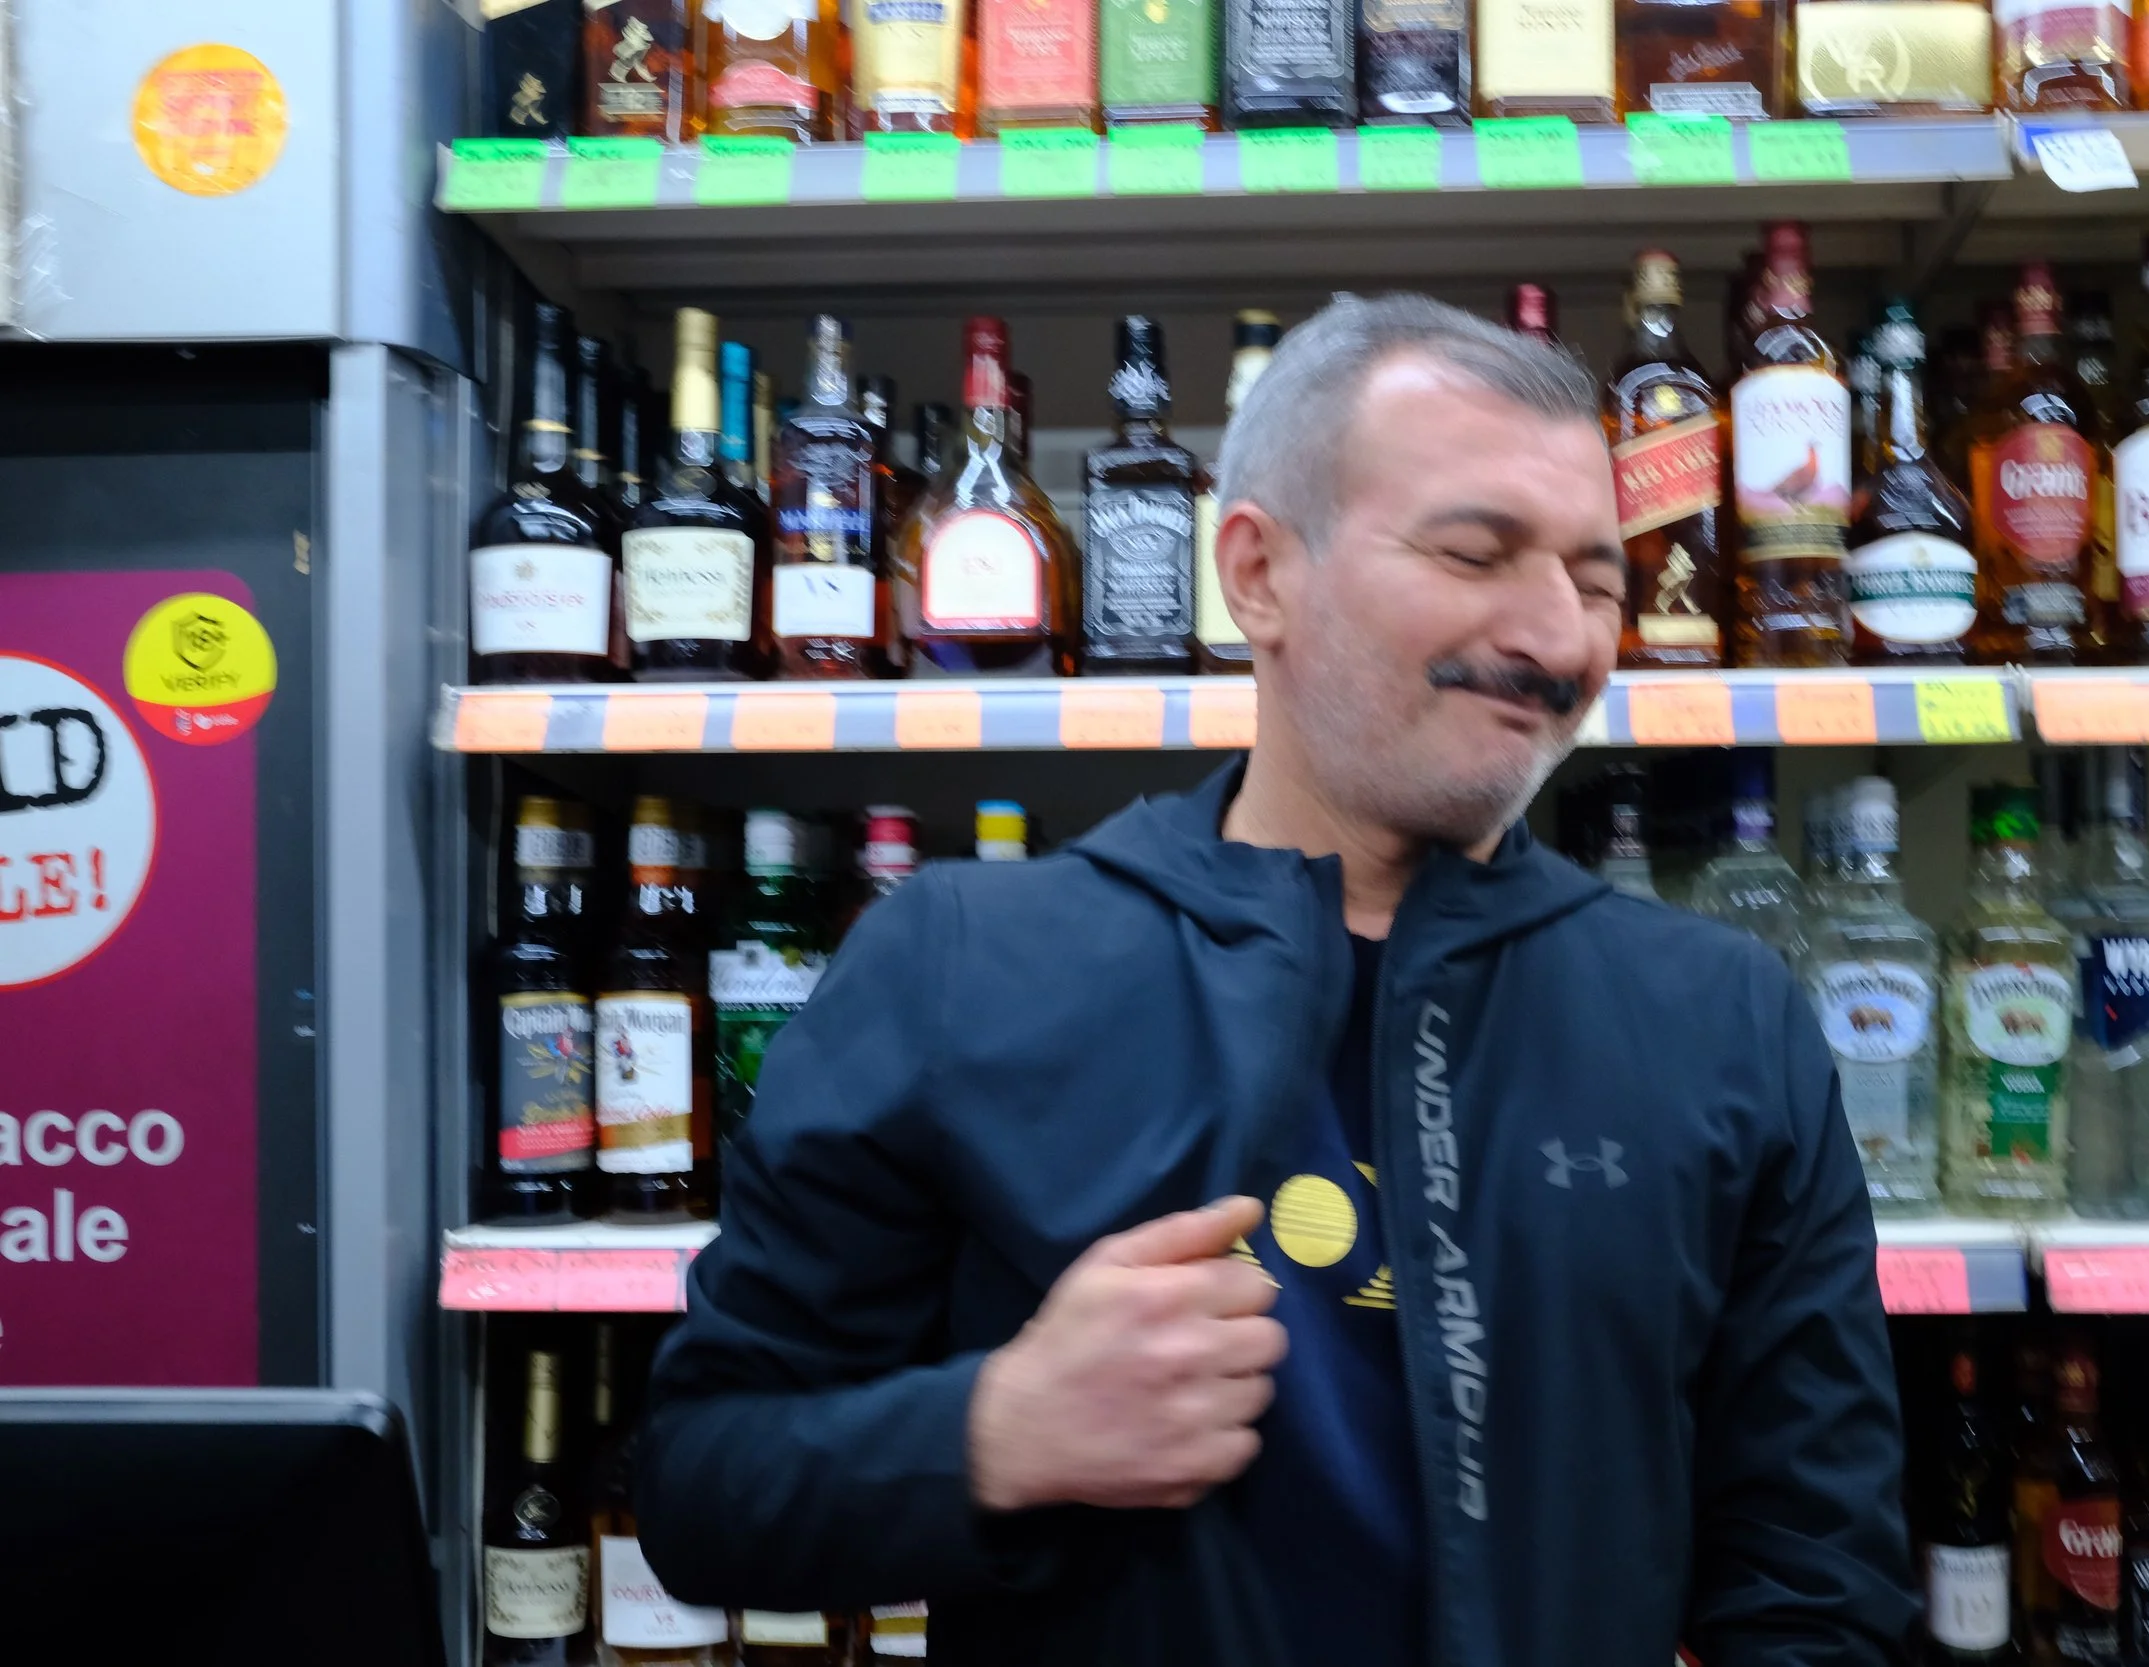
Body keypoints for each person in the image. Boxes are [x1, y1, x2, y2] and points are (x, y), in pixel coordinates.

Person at [637, 294, 1914, 1666]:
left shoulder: (1722, 1019)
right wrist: (995, 1431)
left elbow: (1816, 1582)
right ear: (1257, 573)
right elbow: (705, 1483)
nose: (1557, 636)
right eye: (1478, 553)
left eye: (1597, 581)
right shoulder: (961, 965)